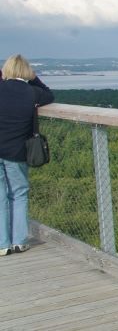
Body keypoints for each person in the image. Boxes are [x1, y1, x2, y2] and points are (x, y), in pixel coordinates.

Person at [0, 54, 54, 256]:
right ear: (26, 72)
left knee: (0, 197)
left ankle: (2, 244)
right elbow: (49, 94)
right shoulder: (32, 93)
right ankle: (19, 241)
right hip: (16, 152)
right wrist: (34, 78)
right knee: (19, 194)